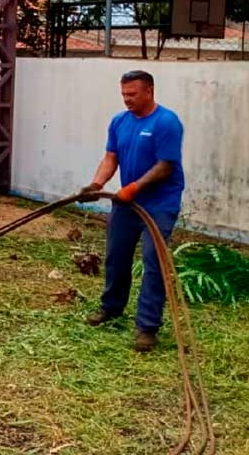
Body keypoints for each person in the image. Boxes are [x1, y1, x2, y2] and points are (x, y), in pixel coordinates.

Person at [80, 70, 185, 352]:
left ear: (149, 91)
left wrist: (134, 188)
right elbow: (111, 157)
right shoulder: (119, 122)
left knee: (153, 263)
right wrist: (96, 183)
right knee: (116, 255)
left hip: (159, 203)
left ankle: (147, 328)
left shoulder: (166, 122)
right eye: (124, 94)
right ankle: (111, 308)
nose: (127, 99)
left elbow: (166, 166)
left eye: (133, 94)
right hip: (127, 202)